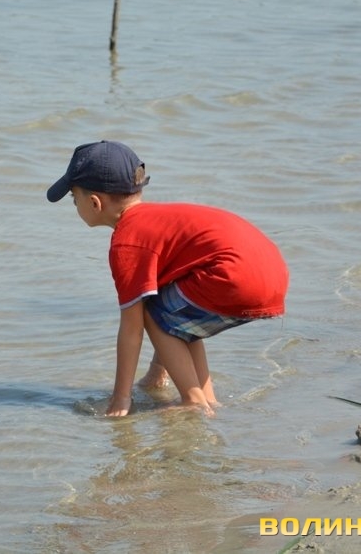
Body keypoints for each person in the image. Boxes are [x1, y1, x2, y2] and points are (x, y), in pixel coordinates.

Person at [46, 140, 289, 417]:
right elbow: (176, 317)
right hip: (270, 271)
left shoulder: (127, 242)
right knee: (175, 311)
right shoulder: (157, 219)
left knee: (150, 310)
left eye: (73, 198)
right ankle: (207, 399)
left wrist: (120, 398)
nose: (74, 204)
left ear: (94, 202)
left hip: (234, 276)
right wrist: (156, 372)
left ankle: (193, 400)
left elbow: (132, 329)